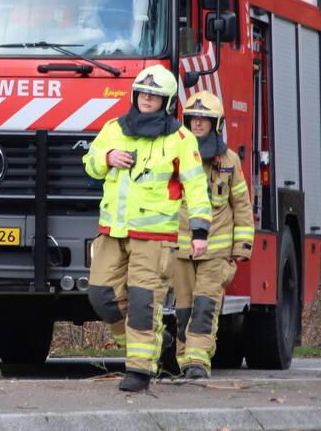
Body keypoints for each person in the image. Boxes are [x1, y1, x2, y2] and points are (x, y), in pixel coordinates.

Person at [83, 65, 212, 392]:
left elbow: (197, 188)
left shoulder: (180, 139)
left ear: (166, 102)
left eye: (154, 95)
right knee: (101, 295)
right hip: (112, 231)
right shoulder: (114, 128)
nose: (146, 99)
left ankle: (139, 371)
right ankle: (154, 341)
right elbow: (90, 164)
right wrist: (107, 157)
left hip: (154, 238)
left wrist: (199, 233)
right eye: (142, 93)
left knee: (143, 302)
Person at [172, 90, 255, 379]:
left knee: (205, 306)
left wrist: (242, 245)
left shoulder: (229, 160)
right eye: (193, 118)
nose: (197, 123)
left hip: (216, 251)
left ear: (216, 123)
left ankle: (197, 362)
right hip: (181, 248)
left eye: (204, 119)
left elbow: (241, 203)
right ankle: (184, 361)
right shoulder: (175, 154)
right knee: (184, 309)